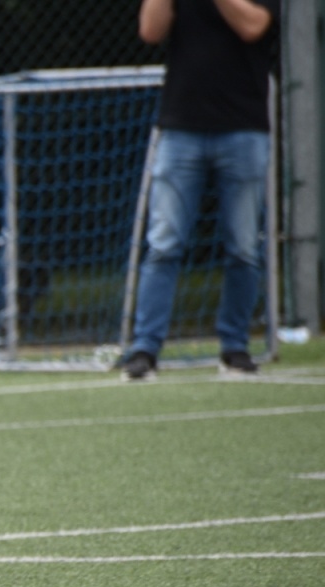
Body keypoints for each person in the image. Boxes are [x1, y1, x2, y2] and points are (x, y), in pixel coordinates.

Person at [120, 0, 279, 382]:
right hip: (181, 128)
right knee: (163, 243)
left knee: (242, 245)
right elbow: (150, 31)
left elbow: (253, 26)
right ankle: (145, 349)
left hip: (243, 127)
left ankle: (235, 348)